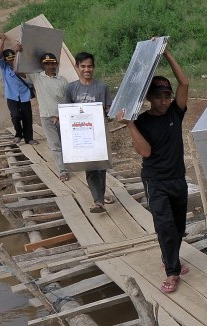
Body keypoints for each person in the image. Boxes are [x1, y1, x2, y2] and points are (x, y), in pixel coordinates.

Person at [116, 45, 189, 294]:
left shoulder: (176, 114)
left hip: (177, 178)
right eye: (158, 97)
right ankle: (172, 271)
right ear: (148, 98)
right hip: (155, 181)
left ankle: (171, 258)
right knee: (165, 225)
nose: (164, 101)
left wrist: (166, 54)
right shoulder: (143, 121)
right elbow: (145, 152)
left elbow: (185, 83)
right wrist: (129, 125)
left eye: (167, 96)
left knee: (178, 227)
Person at [65, 51, 112, 214]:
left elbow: (108, 109)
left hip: (99, 134)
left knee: (101, 168)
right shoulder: (70, 88)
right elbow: (67, 114)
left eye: (90, 66)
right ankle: (98, 201)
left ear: (94, 67)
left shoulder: (102, 87)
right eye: (83, 66)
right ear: (77, 67)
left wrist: (111, 113)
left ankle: (100, 196)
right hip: (82, 136)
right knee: (91, 169)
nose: (87, 69)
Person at [18, 47, 70, 180]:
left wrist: (62, 115)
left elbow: (67, 100)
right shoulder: (36, 77)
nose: (50, 66)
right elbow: (17, 70)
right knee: (55, 145)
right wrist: (19, 52)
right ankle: (62, 170)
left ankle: (71, 164)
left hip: (62, 117)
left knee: (66, 143)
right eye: (47, 63)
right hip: (47, 117)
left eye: (53, 63)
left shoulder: (63, 80)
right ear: (43, 64)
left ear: (56, 64)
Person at [0, 33, 36, 144]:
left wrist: (19, 50)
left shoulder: (22, 65)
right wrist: (2, 40)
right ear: (5, 60)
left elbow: (28, 76)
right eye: (9, 59)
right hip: (12, 96)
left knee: (27, 117)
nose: (11, 60)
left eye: (13, 58)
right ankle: (18, 134)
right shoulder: (5, 68)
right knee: (16, 116)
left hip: (24, 95)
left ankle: (29, 138)